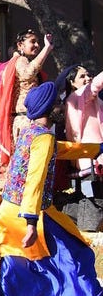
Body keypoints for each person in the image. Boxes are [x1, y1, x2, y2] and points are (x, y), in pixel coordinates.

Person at [0, 81, 103, 296]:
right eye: (57, 102)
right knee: (76, 258)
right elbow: (35, 179)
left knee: (16, 272)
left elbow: (61, 150)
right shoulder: (42, 137)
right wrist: (31, 222)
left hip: (11, 214)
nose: (60, 105)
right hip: (30, 216)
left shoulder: (30, 132)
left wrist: (96, 149)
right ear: (50, 107)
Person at [0, 30, 52, 170]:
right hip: (24, 120)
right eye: (33, 41)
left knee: (29, 163)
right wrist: (47, 49)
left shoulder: (23, 60)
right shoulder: (20, 60)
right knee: (25, 164)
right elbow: (27, 74)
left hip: (29, 119)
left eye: (38, 42)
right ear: (20, 45)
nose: (37, 45)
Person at [62, 65, 103, 228]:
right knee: (93, 200)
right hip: (90, 159)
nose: (88, 78)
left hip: (93, 157)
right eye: (82, 76)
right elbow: (95, 86)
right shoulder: (77, 97)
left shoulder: (94, 100)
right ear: (72, 83)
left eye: (89, 74)